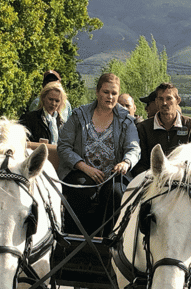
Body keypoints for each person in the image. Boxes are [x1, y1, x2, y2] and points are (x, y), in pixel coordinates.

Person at [57, 73, 141, 235]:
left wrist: (126, 162)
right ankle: (73, 241)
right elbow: (63, 146)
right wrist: (83, 166)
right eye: (105, 92)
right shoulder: (79, 115)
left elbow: (134, 148)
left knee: (116, 193)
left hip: (112, 176)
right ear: (97, 92)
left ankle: (109, 243)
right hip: (81, 172)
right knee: (81, 188)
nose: (110, 97)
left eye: (114, 93)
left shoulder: (126, 121)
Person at [130, 82, 191, 178]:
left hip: (185, 185)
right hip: (153, 183)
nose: (164, 103)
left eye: (169, 98)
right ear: (156, 102)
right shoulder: (143, 128)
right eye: (160, 99)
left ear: (177, 100)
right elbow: (138, 163)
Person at [19, 81, 67, 169]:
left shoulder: (62, 124)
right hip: (33, 165)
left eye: (57, 101)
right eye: (50, 99)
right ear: (43, 98)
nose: (53, 103)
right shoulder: (29, 119)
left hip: (56, 167)